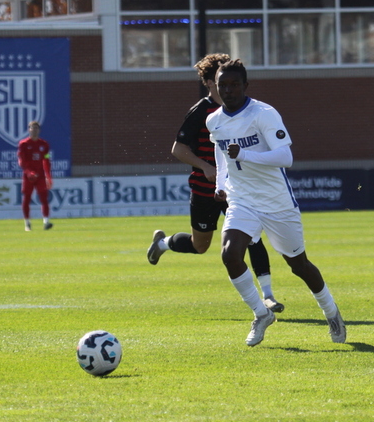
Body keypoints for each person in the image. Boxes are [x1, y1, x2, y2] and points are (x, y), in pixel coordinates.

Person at [207, 59, 346, 346]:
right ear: (215, 87)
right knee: (230, 255)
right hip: (242, 200)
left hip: (276, 203)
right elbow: (221, 154)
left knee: (299, 265)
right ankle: (262, 314)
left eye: (234, 85)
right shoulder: (214, 120)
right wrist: (221, 185)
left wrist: (245, 155)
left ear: (246, 86)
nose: (228, 90)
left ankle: (331, 312)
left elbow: (286, 157)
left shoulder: (264, 114)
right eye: (223, 86)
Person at [147, 53, 283, 313]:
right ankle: (162, 244)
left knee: (252, 237)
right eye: (219, 80)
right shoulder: (202, 111)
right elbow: (178, 149)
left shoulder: (248, 110)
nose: (226, 85)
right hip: (204, 188)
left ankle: (268, 295)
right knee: (201, 246)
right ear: (210, 82)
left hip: (237, 189)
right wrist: (207, 166)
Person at [17, 120, 54, 231]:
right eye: (32, 128)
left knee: (44, 198)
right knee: (27, 199)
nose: (34, 130)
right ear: (29, 130)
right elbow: (21, 161)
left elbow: (46, 160)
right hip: (28, 176)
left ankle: (46, 222)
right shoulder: (24, 144)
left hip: (41, 176)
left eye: (36, 128)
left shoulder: (44, 145)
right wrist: (29, 172)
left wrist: (48, 176)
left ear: (39, 130)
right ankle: (27, 223)